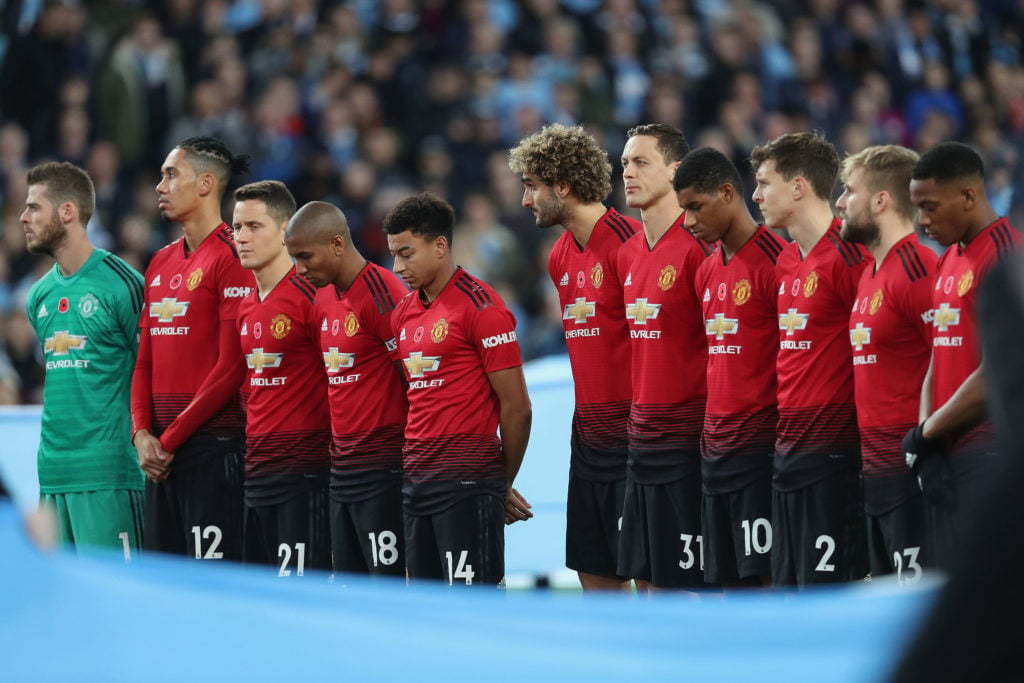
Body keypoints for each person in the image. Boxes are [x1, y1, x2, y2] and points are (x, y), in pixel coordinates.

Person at [507, 123, 638, 591]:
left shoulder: (632, 245)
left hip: (639, 439)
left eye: (532, 187)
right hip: (588, 441)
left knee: (651, 575)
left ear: (562, 185)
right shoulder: (559, 255)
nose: (526, 200)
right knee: (594, 573)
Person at [384, 193, 532, 587]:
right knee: (426, 614)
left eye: (406, 253)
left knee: (476, 613)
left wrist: (499, 483)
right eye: (393, 255)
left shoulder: (483, 307)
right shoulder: (401, 315)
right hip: (416, 482)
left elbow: (517, 408)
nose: (398, 266)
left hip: (467, 482)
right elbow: (413, 394)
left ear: (440, 245)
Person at [750, 131, 871, 587]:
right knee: (789, 594)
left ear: (798, 188)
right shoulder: (784, 261)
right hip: (787, 454)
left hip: (835, 457)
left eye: (764, 183)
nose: (756, 195)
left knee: (829, 598)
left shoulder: (851, 254)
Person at [131, 136, 252, 560]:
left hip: (211, 450)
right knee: (163, 590)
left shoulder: (232, 256)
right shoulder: (160, 261)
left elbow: (232, 366)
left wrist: (171, 438)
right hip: (161, 456)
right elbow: (143, 359)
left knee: (214, 590)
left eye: (170, 175)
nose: (160, 187)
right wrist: (142, 433)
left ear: (205, 185)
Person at [902, 141, 1020, 571]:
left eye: (930, 206)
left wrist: (927, 433)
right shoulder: (946, 258)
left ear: (969, 196)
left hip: (991, 453)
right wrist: (924, 436)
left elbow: (996, 374)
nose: (922, 221)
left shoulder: (1008, 255)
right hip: (946, 456)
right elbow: (939, 349)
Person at [23, 161, 144, 558]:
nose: (24, 217)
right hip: (53, 475)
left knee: (118, 608)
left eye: (34, 207)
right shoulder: (38, 296)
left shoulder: (123, 283)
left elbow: (152, 372)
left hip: (109, 474)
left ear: (67, 212)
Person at [676, 148, 785, 587]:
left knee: (768, 583)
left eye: (695, 207)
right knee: (726, 587)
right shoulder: (704, 271)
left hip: (762, 453)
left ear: (727, 193)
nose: (687, 221)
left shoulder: (780, 261)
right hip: (715, 453)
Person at [285, 201, 408, 578]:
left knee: (387, 588)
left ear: (337, 245)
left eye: (305, 257)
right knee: (349, 591)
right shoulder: (320, 298)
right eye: (294, 258)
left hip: (384, 469)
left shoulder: (381, 291)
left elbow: (412, 380)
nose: (300, 269)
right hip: (341, 472)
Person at [616, 124, 713, 590]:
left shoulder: (700, 249)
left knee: (691, 589)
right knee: (644, 581)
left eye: (640, 162)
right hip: (641, 444)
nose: (628, 173)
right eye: (624, 164)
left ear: (675, 171)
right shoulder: (627, 255)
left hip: (689, 443)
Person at [836, 145, 936, 585]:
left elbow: (954, 357)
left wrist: (927, 440)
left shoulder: (919, 267)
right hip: (872, 474)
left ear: (881, 201)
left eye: (849, 191)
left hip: (911, 473)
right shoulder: (868, 272)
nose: (840, 202)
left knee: (913, 616)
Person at [232, 182, 331, 575]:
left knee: (302, 599)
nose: (241, 237)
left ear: (287, 229)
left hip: (305, 475)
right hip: (256, 473)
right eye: (236, 228)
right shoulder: (245, 304)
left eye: (254, 226)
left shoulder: (314, 296)